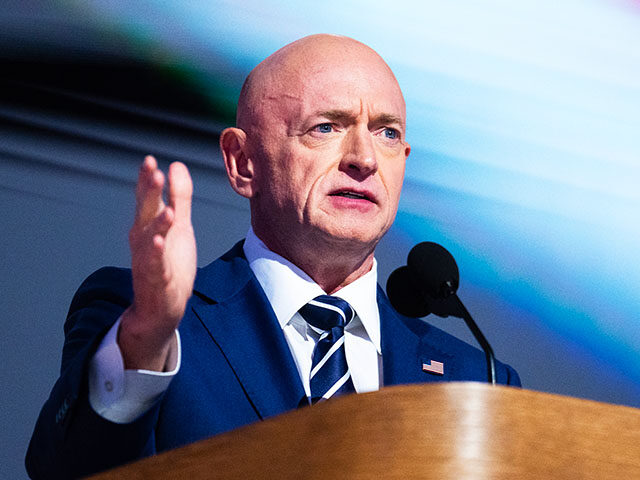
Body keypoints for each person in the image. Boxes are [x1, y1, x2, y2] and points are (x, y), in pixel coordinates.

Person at [26, 34, 520, 479]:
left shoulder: (478, 379)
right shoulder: (144, 325)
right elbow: (67, 468)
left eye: (387, 133)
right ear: (243, 163)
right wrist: (148, 335)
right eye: (326, 127)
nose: (365, 159)